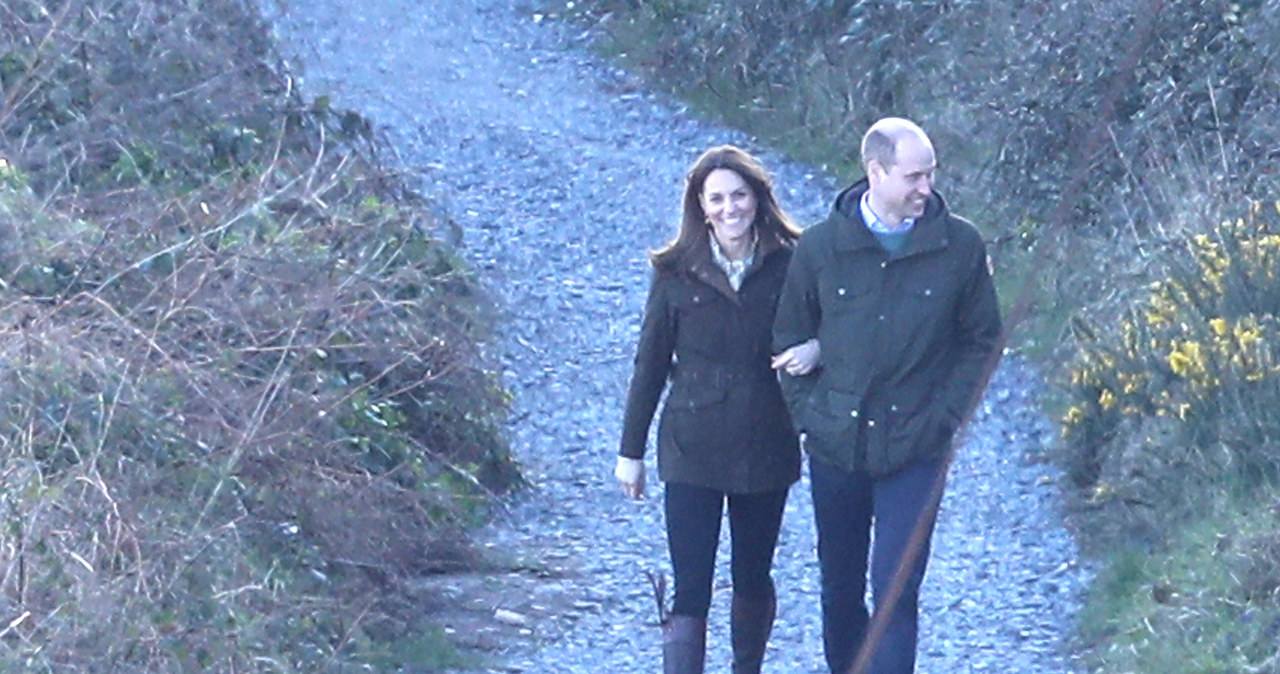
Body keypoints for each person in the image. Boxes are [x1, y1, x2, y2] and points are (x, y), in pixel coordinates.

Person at [771, 117, 1002, 674]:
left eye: (931, 175)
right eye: (914, 176)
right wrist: (813, 419)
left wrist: (945, 417)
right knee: (840, 592)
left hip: (916, 451)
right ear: (875, 172)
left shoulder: (959, 247)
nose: (927, 188)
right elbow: (788, 338)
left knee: (896, 593)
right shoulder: (822, 247)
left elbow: (982, 341)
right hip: (837, 449)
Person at [616, 145, 814, 674]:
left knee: (753, 575)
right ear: (701, 207)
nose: (731, 209)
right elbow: (650, 364)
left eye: (739, 196)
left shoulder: (791, 264)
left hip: (766, 443)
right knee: (691, 586)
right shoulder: (676, 273)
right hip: (691, 448)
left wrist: (818, 352)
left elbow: (830, 332)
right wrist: (629, 452)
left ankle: (746, 666)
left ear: (758, 199)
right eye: (718, 199)